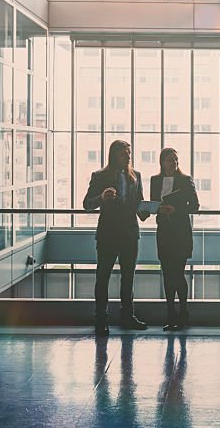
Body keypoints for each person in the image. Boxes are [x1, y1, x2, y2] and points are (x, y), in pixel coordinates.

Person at [83, 139, 148, 335]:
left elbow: (138, 202)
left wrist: (147, 210)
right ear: (114, 155)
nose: (128, 156)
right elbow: (87, 204)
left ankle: (127, 317)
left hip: (129, 233)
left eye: (129, 152)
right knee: (103, 277)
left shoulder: (135, 176)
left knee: (128, 278)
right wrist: (101, 198)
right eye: (123, 153)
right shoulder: (100, 176)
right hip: (108, 234)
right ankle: (101, 319)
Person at [150, 148, 200, 331]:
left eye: (176, 160)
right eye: (170, 160)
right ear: (162, 162)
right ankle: (171, 314)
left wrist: (176, 210)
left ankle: (183, 313)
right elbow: (154, 203)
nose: (174, 163)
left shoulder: (185, 180)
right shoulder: (155, 180)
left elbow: (195, 205)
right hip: (164, 231)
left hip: (180, 232)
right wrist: (157, 209)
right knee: (167, 273)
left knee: (177, 273)